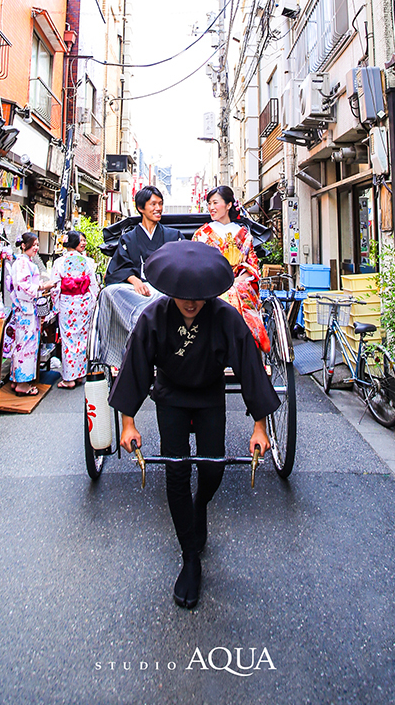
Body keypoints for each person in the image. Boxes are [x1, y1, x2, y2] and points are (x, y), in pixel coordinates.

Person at [110, 239, 278, 610]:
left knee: (213, 468)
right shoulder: (154, 317)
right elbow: (135, 368)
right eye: (182, 295)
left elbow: (250, 369)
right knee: (175, 471)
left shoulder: (224, 317)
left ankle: (200, 505)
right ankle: (189, 557)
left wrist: (260, 427)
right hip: (169, 395)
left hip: (208, 395)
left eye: (197, 295)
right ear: (170, 289)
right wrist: (128, 424)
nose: (190, 302)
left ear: (209, 290)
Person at [192, 185, 269, 353]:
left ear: (228, 205)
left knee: (235, 292)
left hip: (239, 282)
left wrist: (236, 280)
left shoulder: (243, 234)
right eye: (209, 203)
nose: (211, 207)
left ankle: (245, 344)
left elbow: (252, 265)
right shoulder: (202, 234)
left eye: (215, 203)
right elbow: (195, 265)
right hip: (210, 284)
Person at [104, 185, 182, 295]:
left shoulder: (174, 236)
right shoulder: (128, 239)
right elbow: (116, 270)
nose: (158, 208)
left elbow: (184, 265)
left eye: (160, 204)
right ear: (141, 208)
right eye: (153, 204)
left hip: (168, 293)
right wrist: (135, 280)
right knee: (108, 292)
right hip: (137, 293)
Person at [48, 230, 99, 389]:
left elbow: (55, 287)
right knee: (82, 338)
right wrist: (92, 302)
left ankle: (69, 378)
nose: (83, 243)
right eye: (81, 240)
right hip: (84, 303)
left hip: (67, 303)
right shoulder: (87, 261)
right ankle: (79, 374)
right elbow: (93, 285)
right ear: (75, 242)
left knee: (68, 338)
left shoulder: (60, 262)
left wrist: (55, 306)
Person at [5, 232, 52, 396]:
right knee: (26, 345)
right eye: (34, 244)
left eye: (38, 244)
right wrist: (41, 287)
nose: (36, 248)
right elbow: (22, 285)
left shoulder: (23, 262)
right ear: (24, 245)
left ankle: (16, 378)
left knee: (20, 344)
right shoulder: (23, 263)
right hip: (26, 308)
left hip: (24, 308)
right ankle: (23, 383)